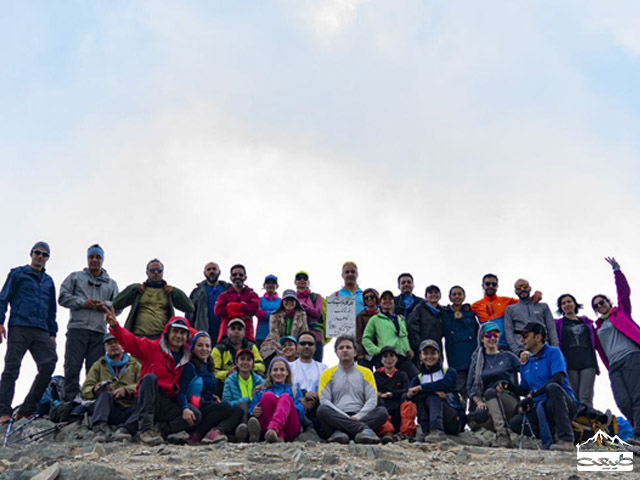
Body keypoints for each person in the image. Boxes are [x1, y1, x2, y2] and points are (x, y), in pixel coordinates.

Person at [106, 309, 201, 445]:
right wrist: (115, 326)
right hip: (148, 397)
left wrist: (185, 408)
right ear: (167, 333)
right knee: (150, 378)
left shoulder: (187, 361)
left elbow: (182, 391)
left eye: (182, 332)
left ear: (187, 336)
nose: (178, 336)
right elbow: (131, 342)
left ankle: (159, 430)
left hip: (168, 402)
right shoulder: (152, 347)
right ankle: (145, 430)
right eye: (175, 331)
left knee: (196, 415)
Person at [0, 241, 58, 422]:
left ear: (47, 258)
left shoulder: (48, 281)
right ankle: (3, 411)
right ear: (31, 254)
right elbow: (3, 298)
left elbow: (51, 309)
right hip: (19, 326)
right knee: (12, 368)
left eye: (44, 254)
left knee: (49, 362)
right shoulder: (18, 274)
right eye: (37, 252)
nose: (40, 256)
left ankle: (27, 409)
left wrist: (52, 333)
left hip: (41, 330)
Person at [59, 244, 120, 402]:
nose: (94, 260)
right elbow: (62, 297)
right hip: (77, 329)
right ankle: (69, 402)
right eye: (91, 257)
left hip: (99, 332)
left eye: (98, 257)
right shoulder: (75, 277)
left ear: (102, 260)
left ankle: (91, 402)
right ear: (87, 259)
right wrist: (82, 302)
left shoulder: (111, 284)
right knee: (72, 367)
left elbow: (117, 307)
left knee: (95, 370)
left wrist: (104, 305)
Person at [592, 257, 640, 445]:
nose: (600, 306)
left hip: (632, 357)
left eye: (602, 302)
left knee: (638, 396)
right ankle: (638, 427)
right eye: (596, 305)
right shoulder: (597, 329)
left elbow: (624, 294)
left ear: (608, 302)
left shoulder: (621, 313)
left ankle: (638, 434)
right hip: (615, 366)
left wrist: (617, 270)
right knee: (623, 401)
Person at [508, 323, 577, 451]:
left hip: (563, 403)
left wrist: (532, 395)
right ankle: (551, 434)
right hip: (540, 407)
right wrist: (507, 386)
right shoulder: (526, 362)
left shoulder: (554, 352)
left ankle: (566, 439)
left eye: (525, 336)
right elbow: (524, 389)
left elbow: (558, 379)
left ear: (538, 337)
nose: (522, 340)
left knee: (552, 388)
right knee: (515, 423)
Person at [317, 335, 388, 444]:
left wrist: (357, 416)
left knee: (382, 412)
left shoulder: (366, 372)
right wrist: (345, 418)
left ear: (355, 352)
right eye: (341, 348)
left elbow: (372, 399)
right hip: (336, 416)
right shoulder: (326, 374)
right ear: (336, 353)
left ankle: (341, 432)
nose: (344, 350)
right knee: (322, 410)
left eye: (348, 347)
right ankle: (362, 430)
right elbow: (324, 400)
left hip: (360, 415)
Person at [178, 332, 244, 444]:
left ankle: (216, 432)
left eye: (207, 346)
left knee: (238, 411)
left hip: (209, 405)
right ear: (193, 348)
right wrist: (185, 408)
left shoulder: (209, 367)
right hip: (196, 408)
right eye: (200, 345)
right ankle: (198, 433)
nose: (204, 349)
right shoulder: (190, 367)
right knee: (225, 408)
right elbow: (182, 392)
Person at [467, 322, 520, 448]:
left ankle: (502, 435)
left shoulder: (507, 356)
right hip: (489, 402)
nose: (492, 338)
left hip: (508, 399)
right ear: (482, 338)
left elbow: (525, 371)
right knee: (479, 415)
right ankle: (501, 430)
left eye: (495, 335)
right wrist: (478, 402)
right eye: (488, 335)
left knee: (490, 392)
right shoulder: (477, 361)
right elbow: (470, 387)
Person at [113, 259, 194, 339]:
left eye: (159, 270)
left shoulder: (168, 291)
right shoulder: (139, 290)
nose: (156, 273)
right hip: (138, 336)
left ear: (163, 272)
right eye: (152, 270)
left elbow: (189, 307)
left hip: (161, 338)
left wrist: (175, 291)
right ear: (147, 272)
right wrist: (133, 288)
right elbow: (116, 304)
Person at [81, 332, 140, 442]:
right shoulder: (98, 365)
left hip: (129, 408)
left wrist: (127, 390)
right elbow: (85, 390)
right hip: (107, 408)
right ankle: (100, 430)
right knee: (104, 395)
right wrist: (95, 389)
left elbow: (142, 385)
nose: (113, 345)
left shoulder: (135, 364)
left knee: (145, 406)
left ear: (122, 344)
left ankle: (124, 430)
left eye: (116, 342)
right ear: (105, 347)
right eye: (109, 343)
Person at [407, 339, 463, 442]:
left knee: (432, 397)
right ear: (420, 356)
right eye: (425, 353)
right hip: (428, 419)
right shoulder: (418, 378)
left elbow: (446, 384)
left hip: (453, 420)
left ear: (439, 355)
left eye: (433, 353)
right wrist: (432, 390)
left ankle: (437, 430)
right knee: (426, 397)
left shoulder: (448, 371)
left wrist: (422, 388)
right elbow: (411, 395)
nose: (429, 357)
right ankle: (426, 431)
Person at [471, 273, 541, 350]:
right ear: (483, 286)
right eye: (488, 284)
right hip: (489, 345)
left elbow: (525, 301)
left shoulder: (506, 301)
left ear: (497, 286)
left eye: (493, 284)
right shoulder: (475, 306)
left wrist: (537, 293)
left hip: (507, 345)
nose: (491, 286)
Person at [554, 293, 599, 407]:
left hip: (588, 362)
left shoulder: (586, 322)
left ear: (575, 304)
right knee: (572, 396)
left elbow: (596, 340)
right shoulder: (558, 324)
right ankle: (575, 422)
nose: (567, 304)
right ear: (561, 308)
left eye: (569, 301)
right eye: (563, 303)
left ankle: (588, 421)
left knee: (586, 396)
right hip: (569, 364)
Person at [362, 290, 418, 378]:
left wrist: (408, 349)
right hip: (386, 357)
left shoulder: (400, 319)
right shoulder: (375, 319)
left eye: (390, 299)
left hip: (402, 356)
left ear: (393, 302)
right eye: (384, 299)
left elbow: (404, 336)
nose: (387, 301)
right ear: (380, 302)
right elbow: (366, 338)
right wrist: (378, 350)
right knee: (387, 385)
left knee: (416, 378)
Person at [247, 357, 305, 442]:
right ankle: (276, 436)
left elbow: (301, 412)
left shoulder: (294, 390)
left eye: (282, 370)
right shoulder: (262, 391)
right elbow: (250, 410)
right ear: (270, 373)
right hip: (267, 428)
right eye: (275, 370)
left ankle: (274, 429)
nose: (278, 373)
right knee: (268, 396)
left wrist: (283, 407)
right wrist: (253, 411)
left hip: (289, 427)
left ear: (287, 372)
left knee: (285, 397)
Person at [441, 285, 479, 404]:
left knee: (475, 388)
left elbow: (478, 333)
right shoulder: (444, 314)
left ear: (464, 297)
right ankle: (460, 418)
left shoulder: (471, 314)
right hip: (455, 358)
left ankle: (475, 418)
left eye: (459, 294)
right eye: (454, 294)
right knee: (460, 389)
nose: (457, 297)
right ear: (450, 297)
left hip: (472, 356)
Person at [504, 278, 559, 359]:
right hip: (523, 349)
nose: (522, 289)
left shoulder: (543, 306)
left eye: (525, 286)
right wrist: (517, 352)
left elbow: (551, 328)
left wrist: (555, 348)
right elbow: (508, 331)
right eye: (519, 288)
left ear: (530, 288)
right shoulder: (510, 309)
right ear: (515, 292)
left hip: (543, 347)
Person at [221, 348, 265, 441]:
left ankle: (253, 432)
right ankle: (244, 430)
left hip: (255, 413)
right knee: (243, 405)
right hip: (237, 416)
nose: (245, 362)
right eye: (242, 359)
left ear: (253, 363)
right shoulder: (230, 380)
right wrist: (249, 398)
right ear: (236, 362)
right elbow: (226, 404)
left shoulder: (260, 381)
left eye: (249, 359)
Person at [291, 331, 328, 434]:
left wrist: (316, 396)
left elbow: (327, 388)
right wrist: (303, 394)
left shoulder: (323, 368)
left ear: (315, 347)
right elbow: (287, 387)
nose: (306, 346)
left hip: (317, 403)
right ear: (297, 347)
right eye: (303, 343)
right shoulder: (289, 366)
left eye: (310, 344)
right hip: (297, 402)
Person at [260, 290, 308, 365]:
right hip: (276, 345)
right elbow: (274, 335)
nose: (289, 302)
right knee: (268, 361)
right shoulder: (274, 315)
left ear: (296, 302)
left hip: (296, 346)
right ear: (282, 302)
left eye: (292, 300)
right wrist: (283, 350)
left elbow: (304, 333)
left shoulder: (302, 314)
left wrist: (294, 349)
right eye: (287, 300)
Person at [373, 346, 411, 442]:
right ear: (381, 360)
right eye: (385, 356)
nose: (389, 359)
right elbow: (371, 391)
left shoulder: (402, 375)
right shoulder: (376, 375)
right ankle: (386, 432)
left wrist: (392, 394)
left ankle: (406, 432)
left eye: (392, 356)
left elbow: (407, 389)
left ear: (396, 359)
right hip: (383, 407)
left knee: (408, 398)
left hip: (398, 407)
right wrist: (381, 395)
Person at [214, 264, 259, 342]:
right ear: (231, 278)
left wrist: (230, 307)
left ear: (245, 277)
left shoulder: (252, 294)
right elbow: (218, 311)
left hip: (247, 337)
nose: (237, 277)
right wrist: (243, 310)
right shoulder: (223, 295)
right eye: (234, 275)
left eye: (241, 275)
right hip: (226, 336)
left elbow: (254, 309)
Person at [186, 262, 230, 343]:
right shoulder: (197, 292)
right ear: (204, 273)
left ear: (219, 272)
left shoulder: (228, 289)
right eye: (209, 269)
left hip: (225, 333)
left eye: (214, 269)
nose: (211, 271)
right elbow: (189, 315)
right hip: (203, 333)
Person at [294, 271, 325, 362]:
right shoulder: (291, 297)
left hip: (316, 337)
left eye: (305, 278)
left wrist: (302, 305)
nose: (302, 280)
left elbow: (317, 313)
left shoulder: (316, 297)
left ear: (308, 282)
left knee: (317, 365)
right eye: (299, 278)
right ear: (295, 282)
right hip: (297, 336)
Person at [407, 285, 443, 358]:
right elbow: (413, 328)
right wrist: (419, 347)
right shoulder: (419, 309)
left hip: (437, 348)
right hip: (422, 350)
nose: (433, 294)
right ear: (426, 296)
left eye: (436, 292)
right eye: (430, 293)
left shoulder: (442, 312)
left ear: (440, 296)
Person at [356, 288, 379, 369]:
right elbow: (358, 335)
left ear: (376, 298)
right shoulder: (360, 316)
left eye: (372, 297)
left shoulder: (383, 314)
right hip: (365, 352)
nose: (369, 299)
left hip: (380, 350)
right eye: (366, 298)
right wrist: (360, 353)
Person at [255, 275, 280, 349]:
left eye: (273, 283)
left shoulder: (281, 301)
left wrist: (265, 313)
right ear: (264, 285)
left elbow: (282, 315)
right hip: (261, 335)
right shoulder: (259, 300)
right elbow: (258, 313)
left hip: (276, 336)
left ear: (277, 286)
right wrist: (274, 313)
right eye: (268, 283)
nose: (270, 285)